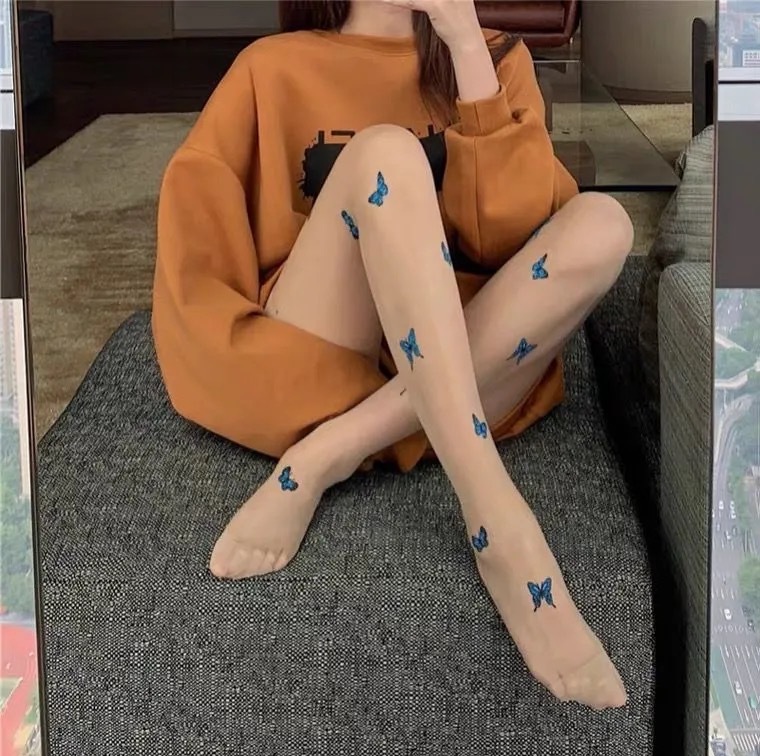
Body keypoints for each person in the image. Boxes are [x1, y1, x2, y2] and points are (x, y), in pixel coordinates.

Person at [152, 0, 633, 710]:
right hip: (323, 349)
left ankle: (334, 448)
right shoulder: (270, 69)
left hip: (462, 359)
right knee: (385, 154)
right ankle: (498, 519)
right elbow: (195, 277)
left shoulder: (497, 58)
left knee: (605, 224)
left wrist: (466, 48)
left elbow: (515, 238)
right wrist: (248, 375)